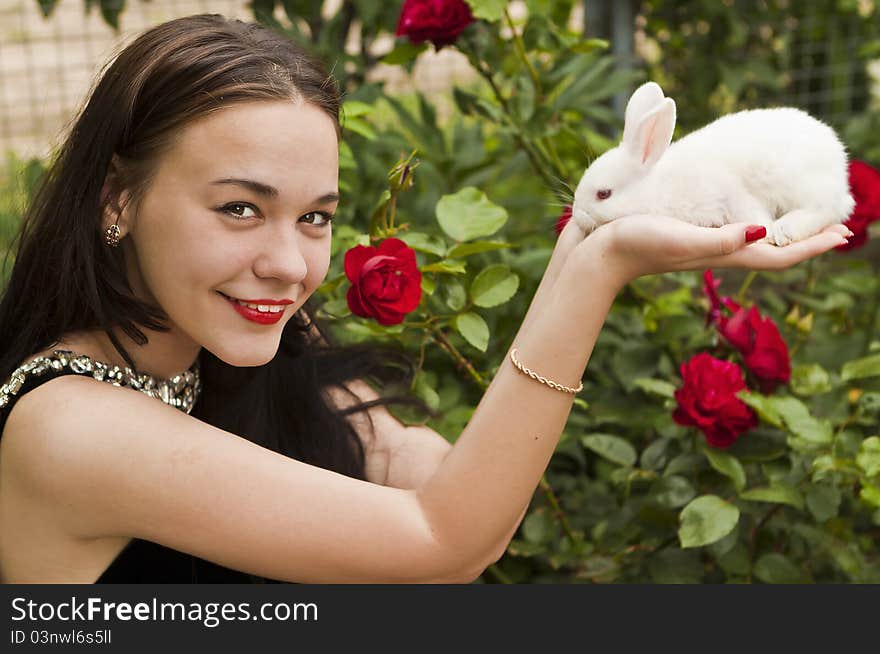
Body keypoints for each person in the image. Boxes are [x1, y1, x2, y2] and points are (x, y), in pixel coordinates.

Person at [0, 14, 853, 584]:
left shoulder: (225, 356)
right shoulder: (72, 429)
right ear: (117, 200)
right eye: (239, 208)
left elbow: (440, 484)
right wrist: (599, 268)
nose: (288, 264)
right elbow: (445, 542)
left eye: (316, 217)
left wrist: (589, 238)